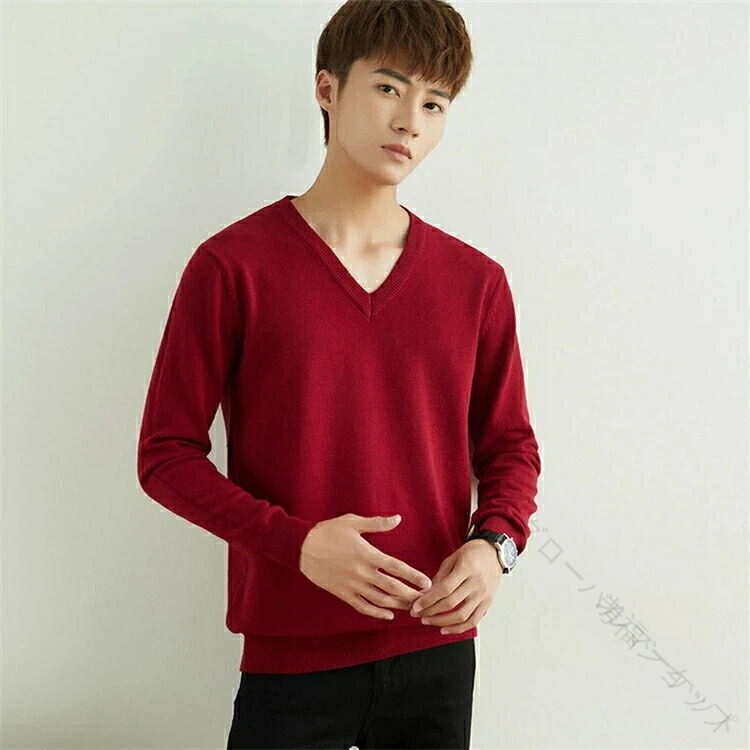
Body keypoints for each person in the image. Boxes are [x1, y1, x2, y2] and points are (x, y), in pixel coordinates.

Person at [136, 1, 542, 747]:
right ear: (327, 88)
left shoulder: (476, 282)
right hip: (292, 662)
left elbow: (511, 446)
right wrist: (296, 544)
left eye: (434, 103)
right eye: (388, 88)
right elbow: (165, 456)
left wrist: (495, 547)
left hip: (436, 649)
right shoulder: (232, 266)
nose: (409, 121)